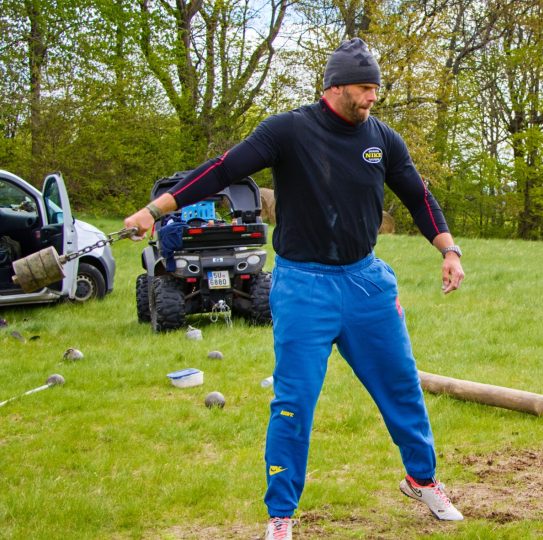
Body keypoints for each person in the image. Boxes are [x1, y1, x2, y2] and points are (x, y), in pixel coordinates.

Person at [123, 38, 466, 539]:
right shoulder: (288, 130)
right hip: (304, 285)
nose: (373, 98)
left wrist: (449, 250)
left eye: (376, 88)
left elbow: (418, 196)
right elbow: (223, 169)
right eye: (365, 88)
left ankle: (422, 479)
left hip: (366, 282)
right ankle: (281, 517)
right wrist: (156, 211)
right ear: (335, 87)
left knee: (402, 387)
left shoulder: (384, 140)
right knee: (293, 403)